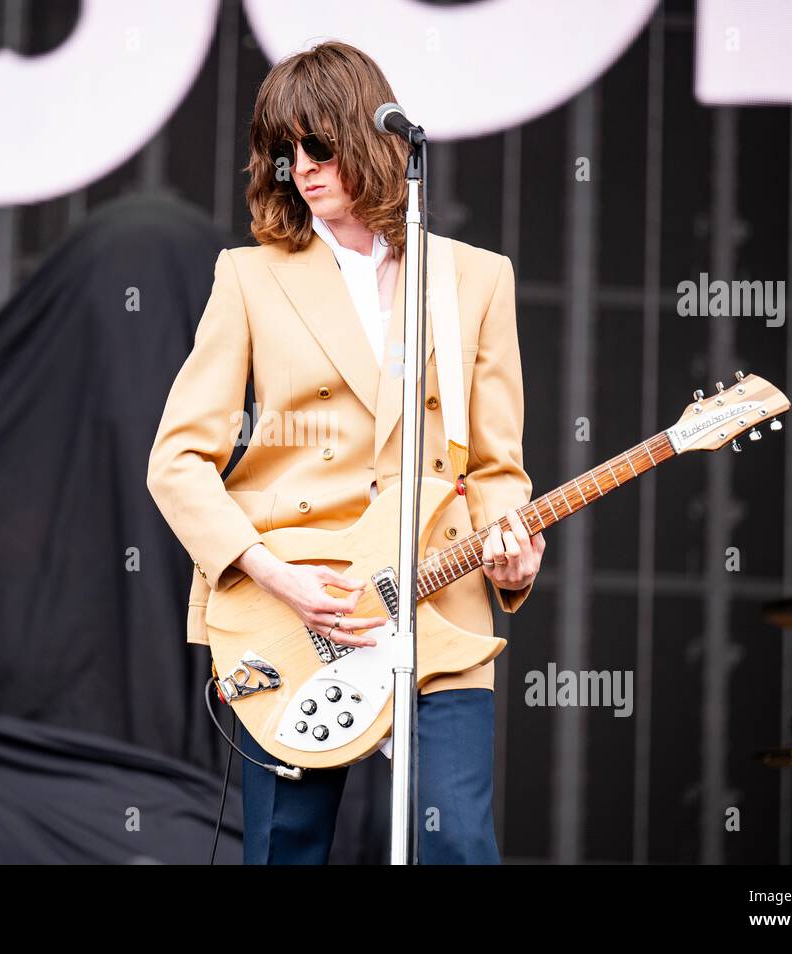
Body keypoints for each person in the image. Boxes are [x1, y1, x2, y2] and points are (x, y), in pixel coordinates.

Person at [146, 41, 545, 864]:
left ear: (372, 137)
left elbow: (498, 468)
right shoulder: (252, 277)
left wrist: (512, 554)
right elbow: (178, 458)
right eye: (284, 152)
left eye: (318, 145)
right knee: (284, 850)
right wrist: (269, 572)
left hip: (440, 599)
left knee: (460, 847)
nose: (302, 169)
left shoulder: (474, 280)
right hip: (296, 609)